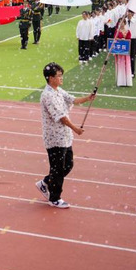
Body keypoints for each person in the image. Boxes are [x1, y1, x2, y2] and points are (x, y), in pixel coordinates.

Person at [35, 62, 96, 208]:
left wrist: (88, 98)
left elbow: (72, 99)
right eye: (59, 75)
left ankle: (45, 183)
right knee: (57, 169)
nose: (61, 78)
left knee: (68, 165)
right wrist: (76, 129)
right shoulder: (48, 96)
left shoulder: (58, 91)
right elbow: (61, 117)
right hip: (55, 138)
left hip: (65, 137)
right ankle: (55, 198)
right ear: (50, 78)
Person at [114, 19, 132, 87]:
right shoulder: (117, 31)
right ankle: (120, 81)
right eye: (120, 22)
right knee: (120, 65)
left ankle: (127, 81)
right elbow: (115, 38)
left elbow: (129, 39)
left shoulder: (128, 31)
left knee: (126, 64)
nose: (121, 24)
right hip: (119, 51)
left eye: (122, 22)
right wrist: (120, 40)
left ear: (125, 23)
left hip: (126, 50)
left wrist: (125, 40)